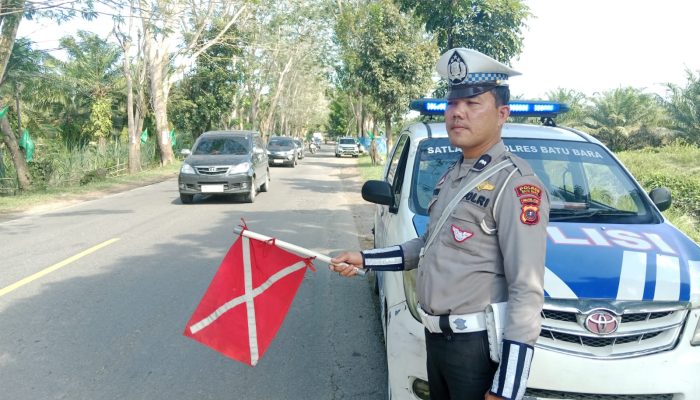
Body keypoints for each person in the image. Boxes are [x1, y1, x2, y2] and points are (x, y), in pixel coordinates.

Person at [331, 48, 550, 400]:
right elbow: (427, 246)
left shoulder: (516, 184)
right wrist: (365, 259)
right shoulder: (454, 175)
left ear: (502, 114)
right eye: (452, 103)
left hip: (475, 351)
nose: (458, 113)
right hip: (438, 342)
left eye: (473, 103)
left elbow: (527, 288)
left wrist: (506, 389)